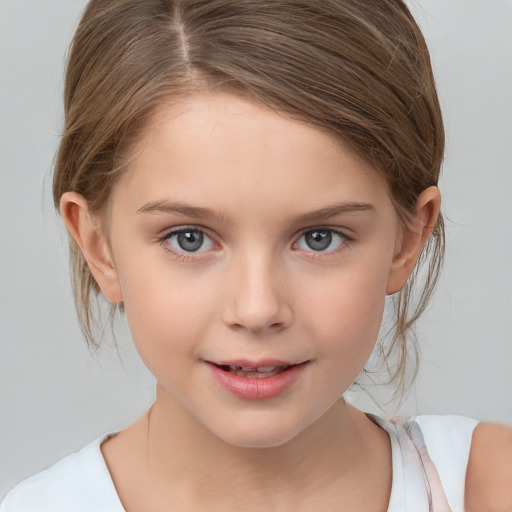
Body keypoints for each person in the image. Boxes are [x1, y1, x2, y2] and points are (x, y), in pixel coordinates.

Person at [2, 0, 511, 510]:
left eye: (320, 238)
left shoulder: (490, 487)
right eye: (189, 239)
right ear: (99, 245)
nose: (257, 308)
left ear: (407, 239)